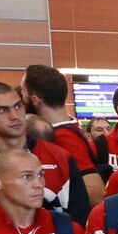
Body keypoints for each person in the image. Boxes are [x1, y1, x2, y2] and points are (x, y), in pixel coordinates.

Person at [0, 81, 84, 219]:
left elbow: (79, 222)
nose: (14, 116)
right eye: (2, 110)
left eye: (18, 106)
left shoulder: (61, 157)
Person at [18, 63, 102, 213]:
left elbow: (96, 194)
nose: (20, 98)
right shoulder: (65, 130)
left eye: (23, 92)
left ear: (35, 99)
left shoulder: (64, 137)